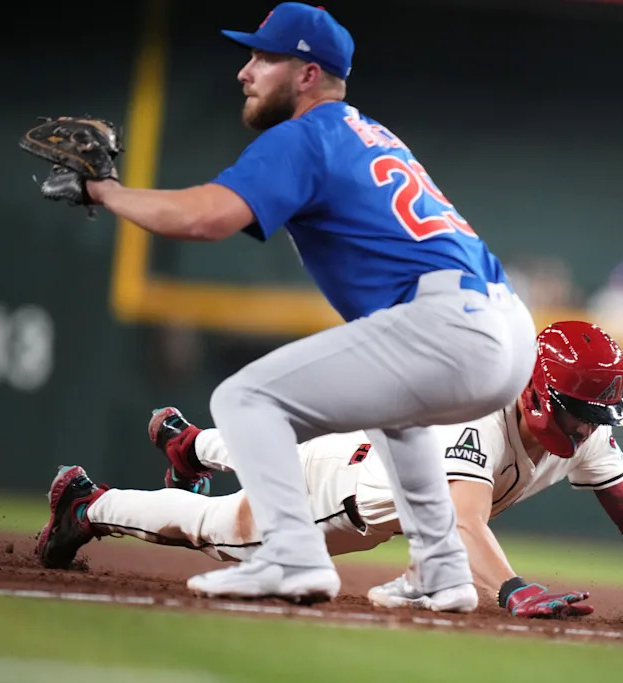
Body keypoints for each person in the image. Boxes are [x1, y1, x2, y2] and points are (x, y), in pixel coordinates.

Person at [35, 2, 537, 610]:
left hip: (447, 326)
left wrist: (104, 190)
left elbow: (206, 218)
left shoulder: (308, 134)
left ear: (307, 75)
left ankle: (292, 558)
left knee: (244, 399)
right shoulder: (368, 133)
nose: (247, 71)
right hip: (506, 329)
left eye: (265, 57)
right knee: (393, 414)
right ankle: (442, 570)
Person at [35, 322, 623, 617]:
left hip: (369, 446)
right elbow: (462, 521)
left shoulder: (581, 427)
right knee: (218, 527)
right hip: (345, 498)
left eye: (600, 415)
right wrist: (512, 588)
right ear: (540, 392)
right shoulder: (484, 414)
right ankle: (86, 503)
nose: (591, 429)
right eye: (583, 412)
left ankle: (194, 447)